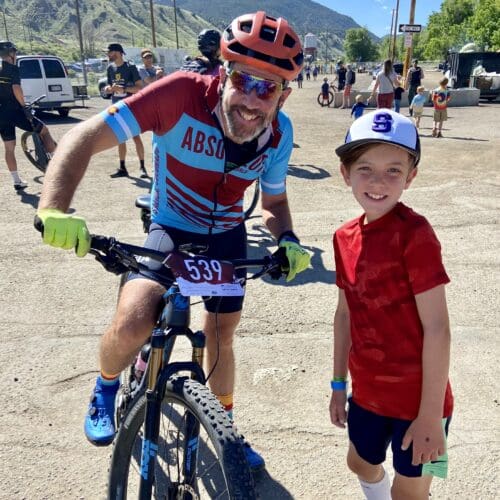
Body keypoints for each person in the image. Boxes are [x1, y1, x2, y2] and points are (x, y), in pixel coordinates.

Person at [35, 11, 311, 472]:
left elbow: (276, 203)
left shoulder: (278, 135)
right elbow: (83, 136)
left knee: (221, 334)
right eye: (245, 81)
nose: (252, 101)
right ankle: (105, 386)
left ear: (283, 95)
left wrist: (289, 240)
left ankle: (225, 429)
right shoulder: (179, 94)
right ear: (223, 74)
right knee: (134, 321)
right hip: (171, 223)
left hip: (226, 233)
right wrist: (54, 208)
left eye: (269, 88)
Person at [330, 109, 454, 500]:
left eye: (394, 170)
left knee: (413, 492)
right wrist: (338, 384)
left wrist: (432, 416)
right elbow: (344, 314)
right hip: (367, 395)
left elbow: (438, 328)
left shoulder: (416, 235)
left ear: (410, 177)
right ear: (345, 173)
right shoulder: (342, 237)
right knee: (359, 462)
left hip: (424, 403)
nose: (379, 182)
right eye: (365, 168)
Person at [0, 40, 56, 190]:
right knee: (44, 131)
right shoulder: (12, 69)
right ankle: (58, 168)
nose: (16, 55)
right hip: (15, 111)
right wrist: (24, 106)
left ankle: (16, 180)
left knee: (9, 147)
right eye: (15, 52)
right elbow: (16, 88)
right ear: (11, 54)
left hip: (1, 114)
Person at [104, 43, 147, 178]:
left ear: (117, 52)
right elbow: (110, 85)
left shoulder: (130, 67)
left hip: (130, 107)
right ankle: (122, 168)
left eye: (109, 52)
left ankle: (142, 168)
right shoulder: (110, 68)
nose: (108, 55)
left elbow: (139, 87)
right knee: (119, 138)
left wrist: (124, 90)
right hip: (116, 106)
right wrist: (108, 89)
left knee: (135, 136)